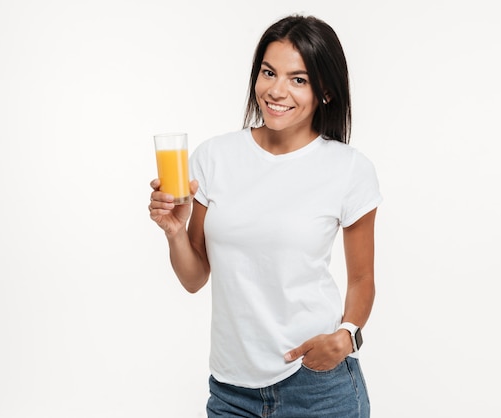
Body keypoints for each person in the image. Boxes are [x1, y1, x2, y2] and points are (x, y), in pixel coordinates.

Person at [149, 14, 382, 418]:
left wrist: (346, 338)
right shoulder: (214, 157)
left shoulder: (349, 169)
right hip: (230, 391)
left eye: (298, 79)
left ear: (324, 91)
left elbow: (362, 279)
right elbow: (194, 278)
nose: (276, 90)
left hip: (316, 387)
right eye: (268, 72)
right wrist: (174, 232)